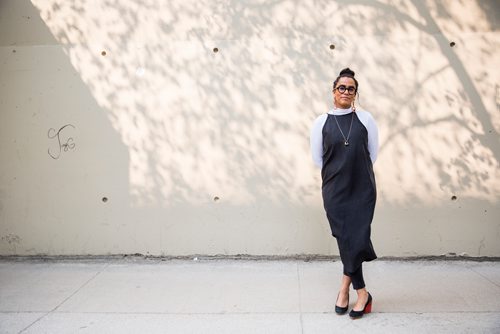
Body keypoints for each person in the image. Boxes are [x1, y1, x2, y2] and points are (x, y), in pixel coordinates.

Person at [310, 68, 379, 319]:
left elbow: (373, 152)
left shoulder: (366, 119)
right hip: (335, 190)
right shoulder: (321, 122)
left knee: (356, 238)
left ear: (355, 93)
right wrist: (337, 175)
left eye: (351, 88)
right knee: (344, 237)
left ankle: (346, 291)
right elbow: (318, 158)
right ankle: (360, 291)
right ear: (333, 91)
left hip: (362, 189)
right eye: (342, 87)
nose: (346, 92)